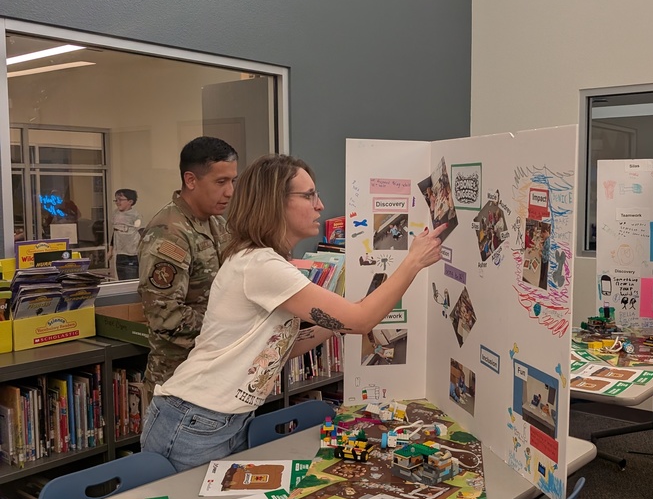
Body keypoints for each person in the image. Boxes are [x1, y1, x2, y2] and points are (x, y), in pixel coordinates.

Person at [141, 152, 445, 471]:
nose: (320, 205)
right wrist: (413, 262)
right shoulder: (262, 265)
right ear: (276, 203)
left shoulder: (264, 261)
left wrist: (338, 318)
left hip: (219, 418)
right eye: (309, 195)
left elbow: (284, 346)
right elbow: (362, 321)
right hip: (195, 419)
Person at [138, 136, 238, 390]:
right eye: (221, 182)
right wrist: (230, 328)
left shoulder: (217, 223)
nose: (229, 192)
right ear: (191, 180)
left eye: (232, 181)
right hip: (179, 379)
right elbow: (165, 315)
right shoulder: (169, 232)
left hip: (218, 371)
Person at [110, 188, 142, 280]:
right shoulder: (115, 213)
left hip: (132, 253)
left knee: (131, 278)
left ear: (130, 202)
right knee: (121, 278)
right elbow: (115, 231)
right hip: (119, 252)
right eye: (116, 200)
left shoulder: (135, 215)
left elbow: (140, 230)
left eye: (120, 200)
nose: (117, 202)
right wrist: (110, 249)